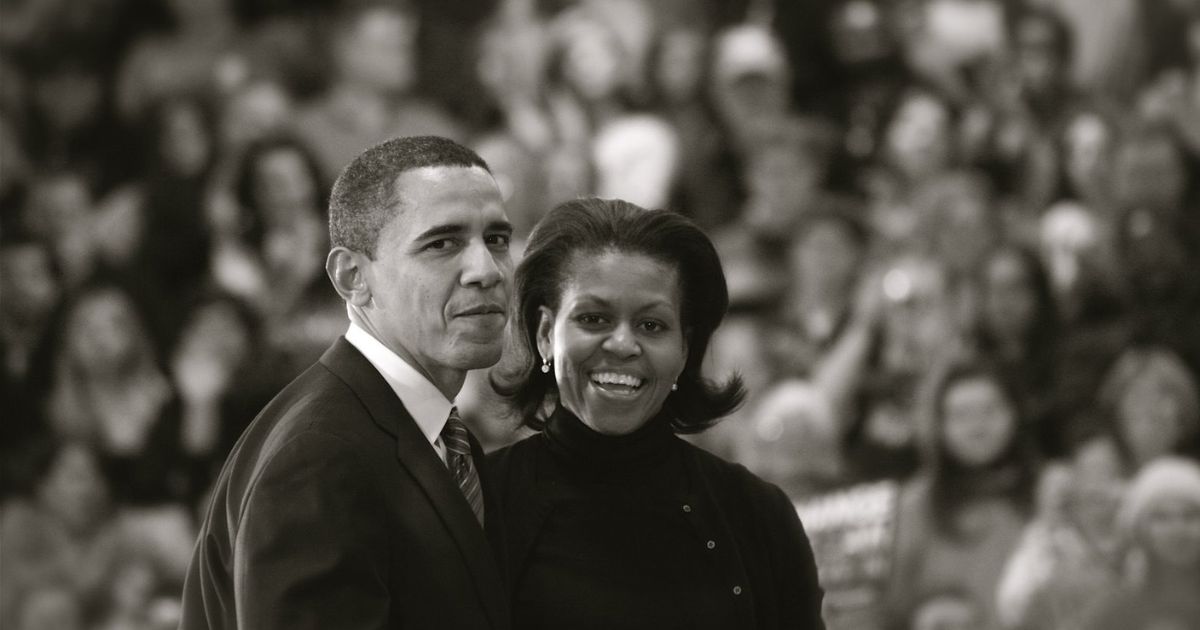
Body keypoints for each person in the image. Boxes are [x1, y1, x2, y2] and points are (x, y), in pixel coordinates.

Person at [179, 136, 513, 629]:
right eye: (442, 243)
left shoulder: (424, 429)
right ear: (353, 276)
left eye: (497, 239)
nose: (486, 270)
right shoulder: (318, 456)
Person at [488, 198, 825, 629]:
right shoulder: (483, 503)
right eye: (593, 319)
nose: (623, 344)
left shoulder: (756, 513)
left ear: (685, 348)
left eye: (651, 325)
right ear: (544, 334)